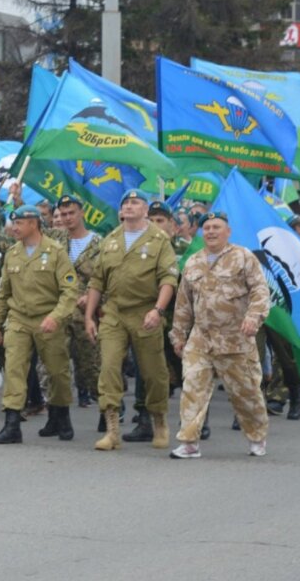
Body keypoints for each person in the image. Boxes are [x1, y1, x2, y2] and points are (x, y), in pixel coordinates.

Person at [169, 212, 271, 459]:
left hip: (235, 339)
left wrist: (253, 317)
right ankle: (189, 441)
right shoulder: (193, 262)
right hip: (201, 339)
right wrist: (179, 334)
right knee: (193, 387)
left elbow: (260, 290)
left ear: (228, 231)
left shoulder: (243, 257)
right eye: (207, 227)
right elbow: (183, 302)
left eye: (216, 227)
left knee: (246, 394)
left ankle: (257, 437)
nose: (211, 231)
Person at [86, 190, 178, 451]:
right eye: (125, 202)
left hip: (145, 311)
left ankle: (159, 419)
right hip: (114, 312)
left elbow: (168, 279)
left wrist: (158, 311)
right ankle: (112, 429)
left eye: (135, 202)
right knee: (109, 368)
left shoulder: (159, 240)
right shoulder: (111, 239)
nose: (128, 206)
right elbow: (96, 281)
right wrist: (89, 316)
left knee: (154, 373)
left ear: (145, 210)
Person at [0, 206, 79, 444]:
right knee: (15, 367)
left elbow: (70, 291)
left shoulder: (56, 251)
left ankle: (61, 415)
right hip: (19, 319)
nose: (14, 227)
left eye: (19, 223)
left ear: (34, 224)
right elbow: (3, 294)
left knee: (57, 370)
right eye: (13, 222)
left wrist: (56, 317)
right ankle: (12, 423)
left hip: (47, 317)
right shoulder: (12, 253)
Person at [55, 194, 101, 408]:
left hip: (87, 313)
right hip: (61, 311)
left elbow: (108, 277)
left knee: (91, 368)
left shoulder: (99, 244)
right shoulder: (56, 241)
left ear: (82, 213)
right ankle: (59, 416)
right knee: (55, 365)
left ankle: (108, 409)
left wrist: (92, 296)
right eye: (63, 214)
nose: (67, 218)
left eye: (71, 213)